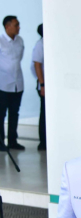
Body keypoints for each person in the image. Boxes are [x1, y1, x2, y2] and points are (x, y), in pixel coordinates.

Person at [0, 15, 24, 150]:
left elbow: (19, 59)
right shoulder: (0, 40)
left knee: (14, 113)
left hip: (18, 84)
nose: (18, 27)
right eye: (16, 25)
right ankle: (1, 143)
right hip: (3, 84)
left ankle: (13, 141)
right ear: (7, 26)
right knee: (1, 115)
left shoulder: (20, 40)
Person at [31, 23, 45, 150]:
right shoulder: (40, 44)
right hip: (44, 85)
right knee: (44, 113)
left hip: (48, 85)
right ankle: (43, 142)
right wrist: (42, 84)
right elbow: (37, 64)